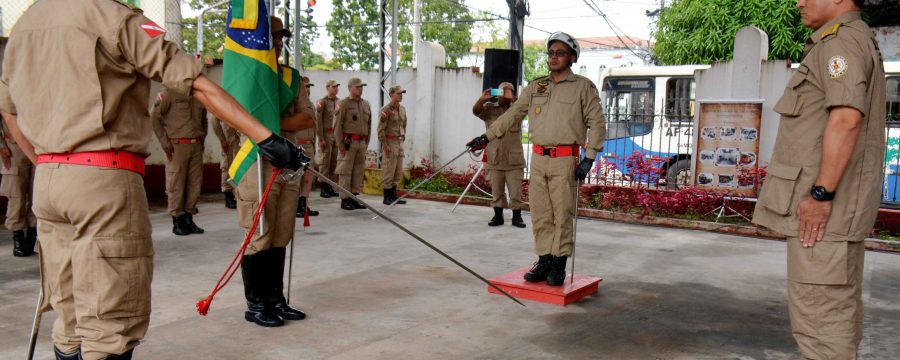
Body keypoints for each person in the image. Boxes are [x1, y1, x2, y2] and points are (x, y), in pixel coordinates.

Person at [0, 2, 306, 358]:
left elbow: (9, 110)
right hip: (103, 179)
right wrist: (267, 139)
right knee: (110, 326)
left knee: (69, 319)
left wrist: (48, 163)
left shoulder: (27, 23)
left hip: (50, 179)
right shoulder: (112, 16)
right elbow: (195, 83)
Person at [753, 0, 885, 357]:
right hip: (837, 213)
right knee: (832, 314)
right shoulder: (851, 39)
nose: (798, 2)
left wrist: (821, 195)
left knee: (820, 324)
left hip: (826, 214)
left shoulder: (840, 42)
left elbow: (846, 119)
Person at [466, 32, 604, 286]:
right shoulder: (536, 86)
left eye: (560, 53)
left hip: (565, 160)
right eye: (551, 53)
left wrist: (590, 156)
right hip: (539, 158)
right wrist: (487, 137)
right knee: (540, 213)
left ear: (572, 57)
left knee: (561, 213)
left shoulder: (584, 87)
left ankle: (559, 263)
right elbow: (512, 115)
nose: (553, 57)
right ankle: (544, 260)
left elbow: (597, 123)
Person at [235, 15, 314, 328]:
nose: (279, 42)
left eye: (282, 37)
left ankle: (275, 300)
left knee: (281, 233)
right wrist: (275, 123)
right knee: (259, 235)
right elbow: (235, 116)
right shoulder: (248, 76)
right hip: (255, 162)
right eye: (273, 37)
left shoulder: (290, 77)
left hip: (286, 164)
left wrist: (266, 121)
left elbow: (307, 118)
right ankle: (255, 304)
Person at [151, 88, 208, 236]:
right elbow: (154, 117)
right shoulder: (169, 94)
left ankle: (189, 218)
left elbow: (204, 119)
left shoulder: (198, 94)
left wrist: (202, 140)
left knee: (194, 182)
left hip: (196, 144)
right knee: (176, 182)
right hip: (177, 145)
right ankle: (177, 220)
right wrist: (165, 143)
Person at [471, 82, 527, 228]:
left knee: (516, 191)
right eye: (502, 91)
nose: (504, 94)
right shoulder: (490, 108)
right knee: (497, 190)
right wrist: (482, 99)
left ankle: (517, 217)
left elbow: (526, 108)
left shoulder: (517, 109)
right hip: (494, 156)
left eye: (508, 91)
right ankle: (498, 216)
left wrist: (513, 98)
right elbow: (476, 111)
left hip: (513, 158)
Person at [334, 78, 372, 210]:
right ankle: (345, 199)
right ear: (350, 88)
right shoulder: (343, 104)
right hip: (348, 143)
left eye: (362, 87)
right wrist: (340, 145)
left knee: (358, 171)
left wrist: (367, 142)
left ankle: (354, 197)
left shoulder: (366, 104)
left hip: (361, 142)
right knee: (345, 171)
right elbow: (337, 125)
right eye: (357, 87)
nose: (360, 89)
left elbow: (369, 124)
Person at [0, 121, 36, 256]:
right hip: (13, 146)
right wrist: (1, 145)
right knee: (16, 194)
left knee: (38, 192)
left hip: (37, 142)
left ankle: (33, 235)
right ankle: (18, 236)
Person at [291, 75, 319, 217]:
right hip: (297, 145)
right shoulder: (292, 104)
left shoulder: (311, 105)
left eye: (309, 87)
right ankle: (295, 205)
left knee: (309, 177)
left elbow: (314, 126)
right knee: (297, 176)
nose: (307, 89)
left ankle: (304, 204)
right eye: (305, 86)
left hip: (309, 145)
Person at [378, 85, 408, 205]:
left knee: (398, 170)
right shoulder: (386, 109)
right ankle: (387, 197)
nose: (401, 95)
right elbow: (380, 129)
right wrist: (384, 144)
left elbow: (404, 124)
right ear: (391, 95)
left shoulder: (402, 109)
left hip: (399, 141)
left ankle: (394, 195)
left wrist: (402, 138)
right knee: (389, 169)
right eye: (398, 93)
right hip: (389, 141)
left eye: (402, 93)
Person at [315, 79, 341, 198]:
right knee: (325, 160)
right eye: (333, 86)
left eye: (337, 87)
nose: (336, 88)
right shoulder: (322, 102)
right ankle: (323, 187)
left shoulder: (339, 102)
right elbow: (318, 121)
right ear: (328, 87)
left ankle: (330, 186)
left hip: (336, 134)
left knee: (334, 161)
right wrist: (320, 138)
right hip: (326, 133)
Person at [211, 113, 241, 209]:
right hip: (229, 141)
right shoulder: (224, 101)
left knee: (240, 167)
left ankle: (239, 195)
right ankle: (228, 196)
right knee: (227, 166)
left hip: (240, 139)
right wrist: (222, 139)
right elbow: (214, 121)